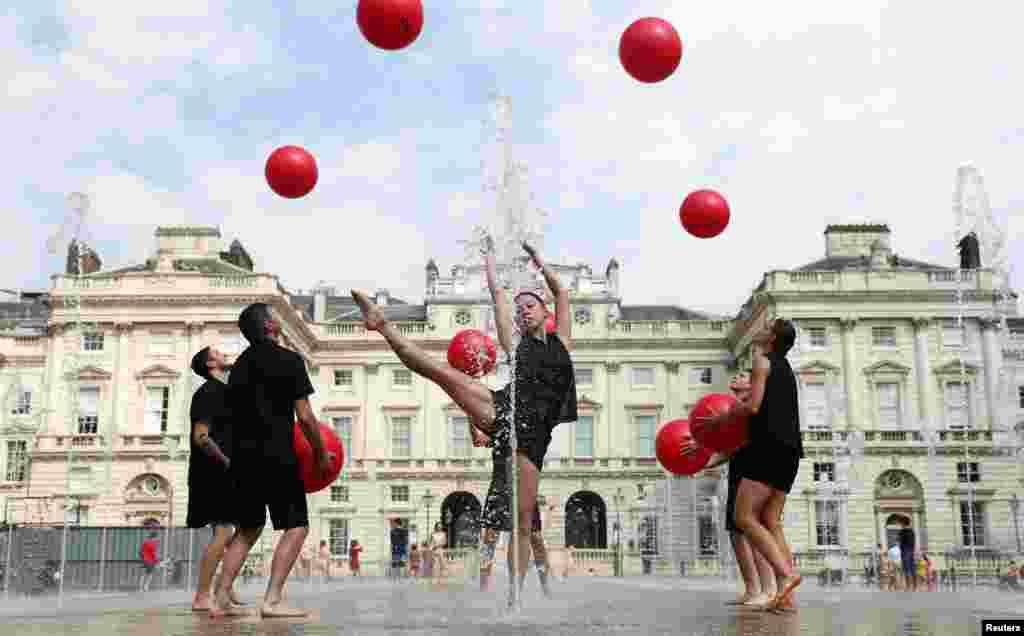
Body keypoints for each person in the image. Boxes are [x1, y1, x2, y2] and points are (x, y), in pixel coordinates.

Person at [350, 238, 576, 607]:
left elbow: (562, 292)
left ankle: (516, 595)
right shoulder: (514, 345)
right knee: (441, 373)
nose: (523, 312)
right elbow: (499, 297)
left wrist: (538, 261)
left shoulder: (561, 342)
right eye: (520, 310)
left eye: (530, 306)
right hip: (503, 411)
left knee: (523, 524)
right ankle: (382, 324)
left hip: (534, 434)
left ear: (544, 309)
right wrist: (489, 261)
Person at [209, 302, 331, 618]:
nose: (279, 321)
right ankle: (273, 600)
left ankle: (221, 597)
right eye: (274, 318)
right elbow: (304, 416)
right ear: (268, 327)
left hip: (241, 458)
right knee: (297, 526)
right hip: (277, 455)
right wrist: (320, 453)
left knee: (248, 527)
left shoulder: (238, 369)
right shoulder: (289, 360)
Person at [696, 318, 803, 611]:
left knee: (744, 518)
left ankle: (785, 575)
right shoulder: (786, 367)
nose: (762, 327)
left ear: (771, 338)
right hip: (791, 450)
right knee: (771, 521)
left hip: (767, 448)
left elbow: (753, 407)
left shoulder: (762, 362)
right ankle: (784, 592)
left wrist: (721, 419)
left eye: (767, 326)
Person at [690, 373, 780, 609]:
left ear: (752, 384)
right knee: (735, 531)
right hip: (738, 470)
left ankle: (769, 589)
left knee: (751, 529)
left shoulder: (755, 404)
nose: (737, 375)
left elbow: (744, 440)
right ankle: (752, 588)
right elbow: (729, 450)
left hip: (757, 469)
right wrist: (700, 463)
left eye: (744, 375)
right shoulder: (736, 408)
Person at [187, 346, 244, 611]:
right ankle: (201, 595)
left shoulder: (224, 391)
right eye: (219, 352)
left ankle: (224, 586)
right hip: (213, 472)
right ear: (211, 364)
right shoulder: (208, 392)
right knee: (223, 533)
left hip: (225, 471)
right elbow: (201, 436)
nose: (225, 354)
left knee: (238, 531)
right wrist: (227, 462)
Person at [899, 518, 917, 591]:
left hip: (905, 551)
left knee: (906, 569)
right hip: (911, 551)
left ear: (903, 523)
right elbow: (913, 543)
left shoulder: (902, 532)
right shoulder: (912, 532)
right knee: (912, 569)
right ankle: (915, 586)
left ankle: (908, 586)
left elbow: (901, 542)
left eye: (901, 523)